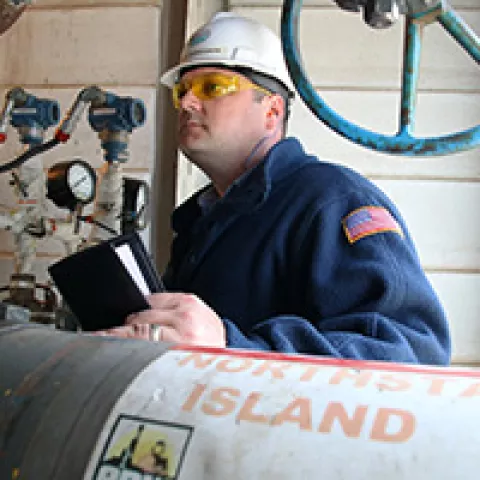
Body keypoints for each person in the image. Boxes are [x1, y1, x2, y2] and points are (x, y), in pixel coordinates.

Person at [97, 12, 451, 364]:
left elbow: (413, 349)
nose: (188, 102)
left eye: (212, 87)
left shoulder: (332, 201)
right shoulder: (201, 220)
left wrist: (232, 346)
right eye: (182, 90)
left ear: (272, 110)